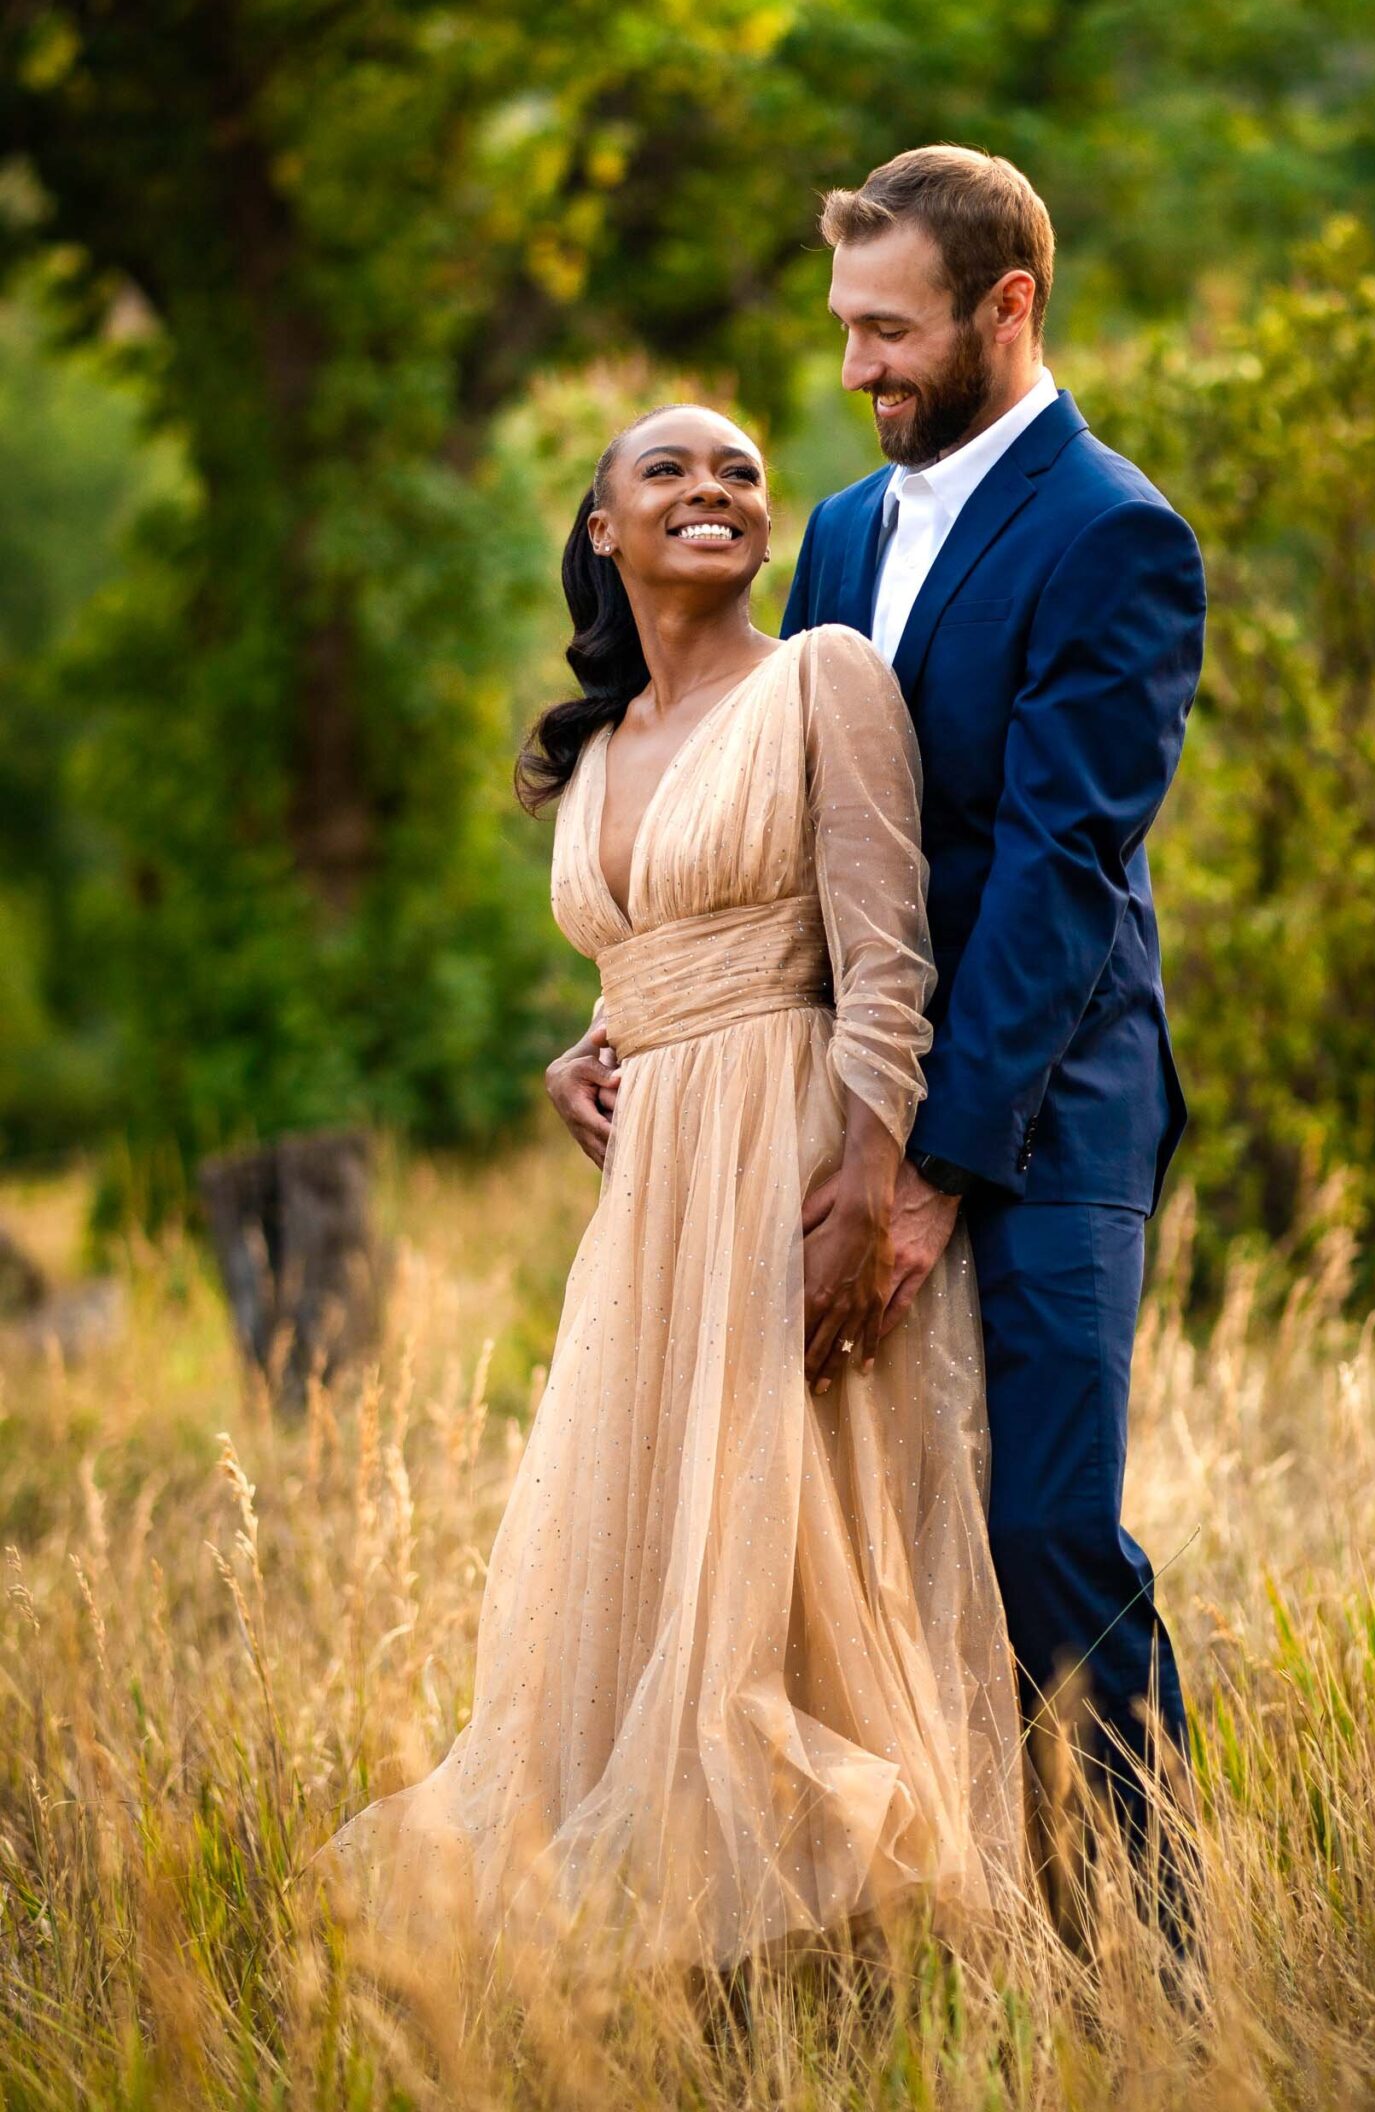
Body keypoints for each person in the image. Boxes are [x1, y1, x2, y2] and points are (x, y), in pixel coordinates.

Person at [308, 404, 1026, 1973]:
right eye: (668, 471)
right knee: (654, 1549)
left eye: (742, 474)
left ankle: (877, 1947)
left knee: (798, 1540)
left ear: (765, 532)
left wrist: (867, 1188)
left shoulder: (821, 677)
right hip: (651, 1204)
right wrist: (585, 1048)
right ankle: (694, 1958)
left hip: (791, 1155)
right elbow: (653, 955)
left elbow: (885, 958)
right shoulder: (595, 754)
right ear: (603, 532)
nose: (713, 490)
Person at [778, 145, 1205, 1942]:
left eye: (892, 330)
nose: (861, 367)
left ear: (1006, 307)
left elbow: (1056, 872)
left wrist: (937, 1166)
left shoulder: (1117, 533)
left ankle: (1155, 1972)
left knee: (1042, 1532)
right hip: (841, 1093)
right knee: (839, 1544)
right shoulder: (841, 529)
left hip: (1048, 1112)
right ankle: (891, 1948)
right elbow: (778, 812)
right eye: (845, 331)